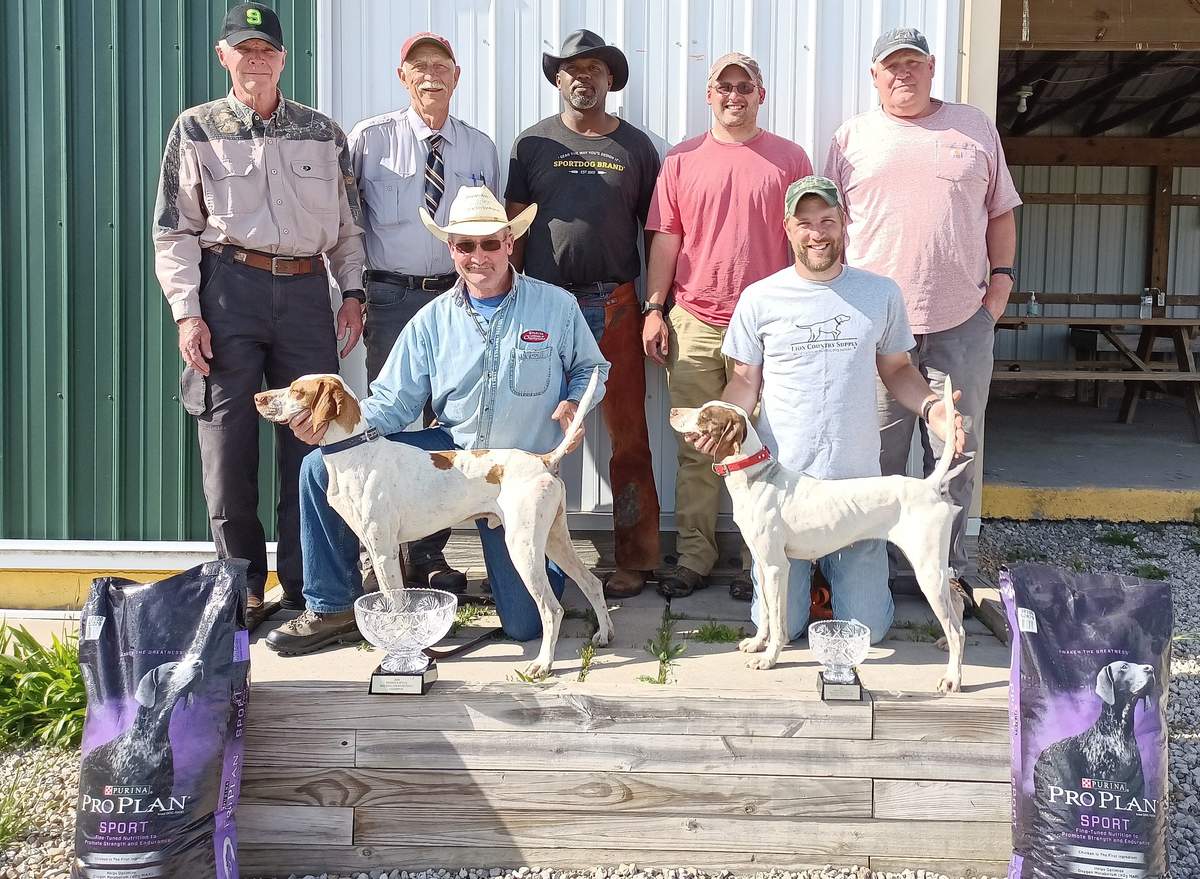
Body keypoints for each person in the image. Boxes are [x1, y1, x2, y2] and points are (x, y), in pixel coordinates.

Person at [265, 187, 610, 654]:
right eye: (465, 245)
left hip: (517, 469)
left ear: (510, 242)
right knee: (316, 467)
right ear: (451, 250)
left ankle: (520, 575)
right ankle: (333, 605)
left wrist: (574, 402)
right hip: (451, 450)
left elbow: (593, 369)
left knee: (524, 625)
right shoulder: (431, 322)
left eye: (490, 242)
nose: (478, 256)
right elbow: (391, 403)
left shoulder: (556, 307)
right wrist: (335, 427)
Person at [152, 2, 365, 627]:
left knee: (314, 443)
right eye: (243, 51)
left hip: (305, 295)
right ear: (224, 58)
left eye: (265, 51)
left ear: (282, 59)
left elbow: (348, 229)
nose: (255, 61)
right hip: (227, 293)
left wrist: (351, 293)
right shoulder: (195, 128)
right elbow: (174, 230)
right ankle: (240, 586)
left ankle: (312, 588)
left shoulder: (323, 132)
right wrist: (187, 314)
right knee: (227, 444)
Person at [691, 176, 965, 642]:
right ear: (787, 229)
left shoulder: (880, 293)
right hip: (784, 486)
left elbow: (898, 369)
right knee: (782, 626)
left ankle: (837, 583)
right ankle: (808, 587)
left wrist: (932, 408)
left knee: (868, 632)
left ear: (844, 224)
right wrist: (721, 423)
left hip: (855, 487)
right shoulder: (761, 298)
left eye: (827, 221)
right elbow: (743, 380)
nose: (817, 233)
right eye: (805, 224)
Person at [824, 27, 1021, 595]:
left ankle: (950, 571)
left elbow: (1001, 213)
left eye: (912, 63)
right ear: (874, 75)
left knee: (957, 451)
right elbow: (829, 227)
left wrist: (999, 290)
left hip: (961, 322)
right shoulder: (851, 137)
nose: (902, 74)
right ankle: (873, 578)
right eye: (891, 66)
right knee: (878, 455)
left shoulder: (975, 127)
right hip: (879, 331)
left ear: (932, 67)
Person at [642, 52, 813, 601]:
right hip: (694, 319)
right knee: (698, 447)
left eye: (745, 86)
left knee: (760, 447)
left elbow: (806, 238)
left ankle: (755, 560)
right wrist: (654, 307)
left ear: (761, 94)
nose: (734, 95)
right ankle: (694, 556)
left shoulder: (789, 159)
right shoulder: (682, 159)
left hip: (766, 325)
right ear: (708, 95)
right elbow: (667, 237)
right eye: (724, 86)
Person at [505, 29, 661, 598]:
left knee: (629, 437)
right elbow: (515, 228)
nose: (582, 78)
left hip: (615, 305)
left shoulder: (637, 148)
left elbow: (657, 234)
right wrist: (508, 301)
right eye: (572, 68)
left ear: (610, 80)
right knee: (534, 436)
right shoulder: (531, 146)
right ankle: (533, 556)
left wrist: (653, 306)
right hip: (543, 306)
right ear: (558, 78)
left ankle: (636, 558)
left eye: (594, 69)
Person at [348, 31, 500, 594]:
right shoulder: (370, 139)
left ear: (457, 76)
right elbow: (347, 226)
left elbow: (492, 234)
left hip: (458, 297)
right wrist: (352, 295)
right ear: (402, 76)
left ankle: (430, 554)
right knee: (391, 422)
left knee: (446, 424)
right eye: (420, 67)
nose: (431, 75)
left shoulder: (480, 148)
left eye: (441, 66)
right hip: (391, 296)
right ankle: (377, 551)